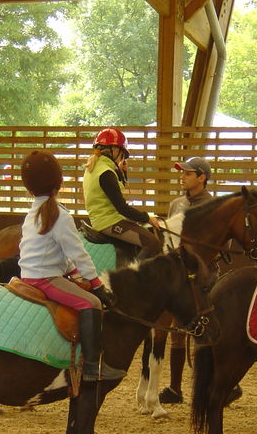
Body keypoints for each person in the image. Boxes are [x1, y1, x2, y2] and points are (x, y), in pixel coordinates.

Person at [18, 150, 121, 382]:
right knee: (92, 303)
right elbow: (79, 253)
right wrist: (96, 286)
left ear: (29, 188)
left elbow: (62, 256)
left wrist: (74, 275)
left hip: (31, 275)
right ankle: (93, 369)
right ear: (59, 182)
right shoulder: (60, 215)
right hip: (45, 279)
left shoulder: (33, 212)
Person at [159, 156, 213, 404]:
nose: (183, 177)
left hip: (203, 276)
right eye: (183, 173)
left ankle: (210, 387)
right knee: (178, 333)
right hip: (179, 275)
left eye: (188, 173)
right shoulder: (176, 204)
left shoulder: (212, 206)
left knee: (205, 334)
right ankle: (175, 388)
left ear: (201, 177)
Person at [82, 127, 162, 259]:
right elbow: (122, 208)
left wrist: (121, 172)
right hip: (109, 222)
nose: (122, 158)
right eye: (122, 153)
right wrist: (147, 218)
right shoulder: (107, 173)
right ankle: (134, 277)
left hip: (101, 220)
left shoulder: (93, 168)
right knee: (152, 242)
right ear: (115, 150)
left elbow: (110, 192)